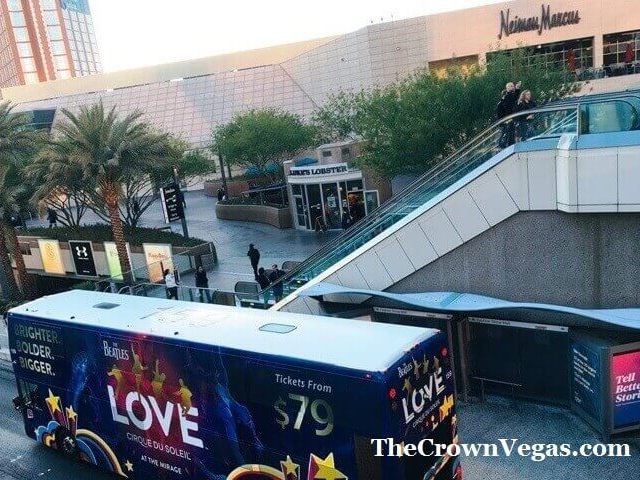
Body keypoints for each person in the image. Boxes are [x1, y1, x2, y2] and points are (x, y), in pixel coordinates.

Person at [496, 81, 522, 148]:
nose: (512, 87)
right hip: (507, 121)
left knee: (511, 135)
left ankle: (508, 146)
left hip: (510, 120)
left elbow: (514, 99)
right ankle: (507, 146)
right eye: (511, 86)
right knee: (509, 136)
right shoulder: (507, 97)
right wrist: (517, 89)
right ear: (507, 88)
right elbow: (513, 99)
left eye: (513, 86)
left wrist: (517, 89)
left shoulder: (510, 97)